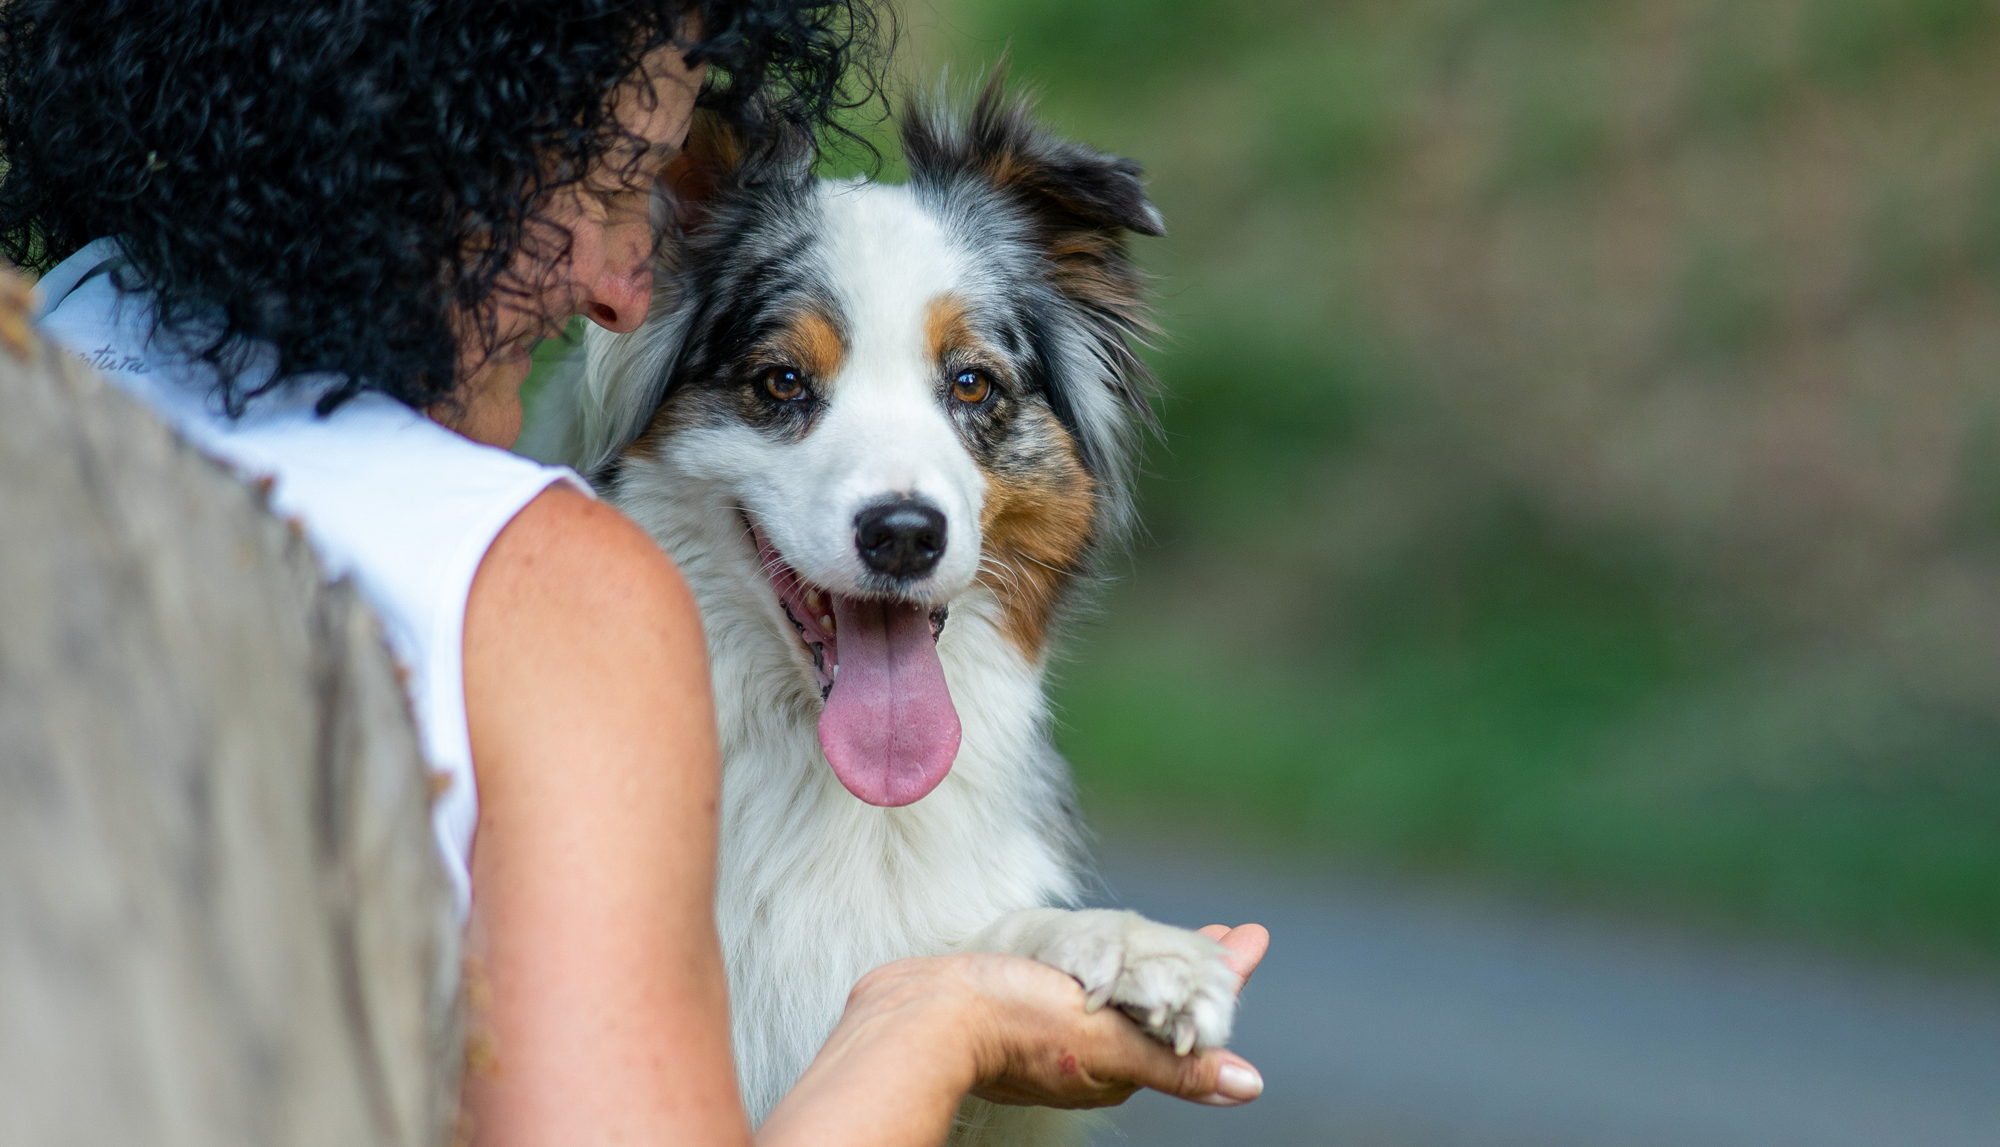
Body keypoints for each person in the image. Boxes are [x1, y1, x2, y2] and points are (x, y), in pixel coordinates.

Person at [0, 3, 1270, 1144]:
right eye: (618, 195)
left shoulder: (46, 373)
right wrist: (932, 1028)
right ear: (446, 152)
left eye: (972, 388)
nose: (620, 292)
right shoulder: (539, 589)